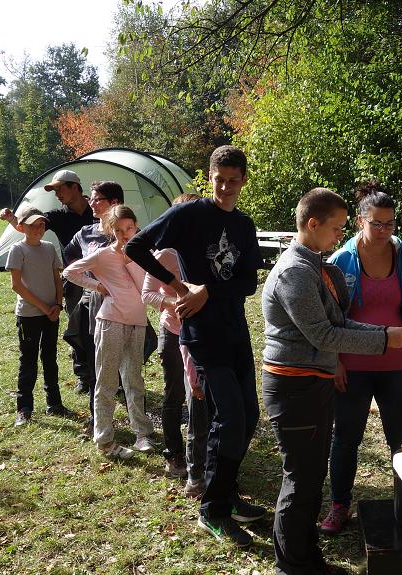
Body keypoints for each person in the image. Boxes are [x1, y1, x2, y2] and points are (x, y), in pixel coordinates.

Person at [262, 187, 402, 573]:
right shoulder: (295, 272)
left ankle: (305, 557)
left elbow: (339, 323)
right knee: (300, 480)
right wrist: (383, 339)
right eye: (336, 228)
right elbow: (325, 336)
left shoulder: (314, 265)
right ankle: (293, 565)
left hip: (311, 381)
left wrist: (386, 332)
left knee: (312, 476)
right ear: (312, 224)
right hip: (295, 386)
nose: (339, 236)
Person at [126, 145, 267, 546]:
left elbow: (248, 283)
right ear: (210, 177)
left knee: (250, 415)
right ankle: (212, 510)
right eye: (219, 179)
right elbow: (136, 246)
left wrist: (210, 289)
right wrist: (179, 286)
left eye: (233, 180)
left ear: (243, 180)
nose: (225, 187)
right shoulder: (190, 215)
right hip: (202, 335)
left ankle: (227, 494)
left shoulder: (243, 224)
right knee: (230, 418)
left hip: (235, 329)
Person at [320, 181, 402, 535]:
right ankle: (339, 504)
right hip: (353, 368)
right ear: (360, 221)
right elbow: (328, 321)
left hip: (397, 367)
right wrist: (335, 362)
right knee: (345, 438)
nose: (384, 231)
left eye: (390, 224)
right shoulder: (340, 262)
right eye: (377, 224)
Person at [63, 205, 156, 459]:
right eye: (119, 230)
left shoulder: (142, 254)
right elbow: (70, 272)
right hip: (111, 321)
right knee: (107, 381)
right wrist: (97, 286)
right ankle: (104, 440)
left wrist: (131, 259)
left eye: (129, 228)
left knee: (134, 379)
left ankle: (142, 433)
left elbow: (145, 288)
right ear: (110, 230)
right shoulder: (103, 255)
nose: (125, 234)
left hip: (137, 321)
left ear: (136, 225)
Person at [0, 169, 96, 396]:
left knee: (103, 324)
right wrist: (12, 217)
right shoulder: (58, 215)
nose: (57, 194)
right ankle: (83, 374)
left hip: (103, 277)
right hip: (75, 280)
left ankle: (112, 376)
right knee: (78, 325)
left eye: (60, 189)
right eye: (54, 190)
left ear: (74, 187)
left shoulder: (97, 209)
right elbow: (31, 229)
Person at [141, 192, 207, 483]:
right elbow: (148, 293)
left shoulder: (207, 248)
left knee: (201, 396)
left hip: (203, 335)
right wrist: (176, 300)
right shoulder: (163, 253)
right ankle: (174, 453)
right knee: (174, 394)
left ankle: (201, 455)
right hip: (173, 331)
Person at [63, 181, 123, 434]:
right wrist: (91, 281)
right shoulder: (85, 233)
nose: (92, 202)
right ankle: (96, 419)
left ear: (114, 203)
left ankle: (139, 421)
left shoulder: (126, 231)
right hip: (91, 306)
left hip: (121, 306)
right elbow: (69, 258)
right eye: (92, 199)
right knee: (93, 364)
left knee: (123, 365)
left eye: (98, 199)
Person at [6, 206, 68, 426]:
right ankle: (24, 408)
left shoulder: (50, 248)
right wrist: (44, 307)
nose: (38, 229)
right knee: (28, 360)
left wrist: (58, 305)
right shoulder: (18, 250)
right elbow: (16, 285)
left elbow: (57, 279)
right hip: (29, 314)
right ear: (21, 227)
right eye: (33, 225)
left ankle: (55, 403)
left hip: (51, 313)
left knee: (50, 358)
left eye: (41, 224)